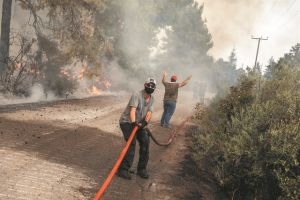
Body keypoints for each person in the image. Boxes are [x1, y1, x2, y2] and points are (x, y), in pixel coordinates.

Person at [117, 78, 156, 180]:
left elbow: (149, 113)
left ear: (154, 88)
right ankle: (123, 169)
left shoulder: (152, 99)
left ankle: (141, 169)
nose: (150, 87)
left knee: (145, 141)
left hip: (138, 124)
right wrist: (134, 122)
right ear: (145, 84)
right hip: (127, 122)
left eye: (152, 86)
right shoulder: (137, 95)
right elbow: (133, 111)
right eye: (149, 85)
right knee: (131, 143)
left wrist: (145, 122)